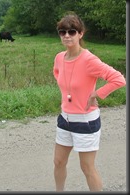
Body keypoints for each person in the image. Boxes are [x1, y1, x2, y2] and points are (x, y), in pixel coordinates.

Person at [52, 12, 126, 192]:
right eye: (63, 32)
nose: (67, 36)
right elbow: (57, 73)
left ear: (81, 33)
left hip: (86, 121)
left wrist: (96, 94)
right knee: (58, 162)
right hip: (65, 119)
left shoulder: (89, 60)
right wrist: (69, 93)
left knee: (87, 168)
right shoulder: (59, 57)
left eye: (72, 31)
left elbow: (119, 79)